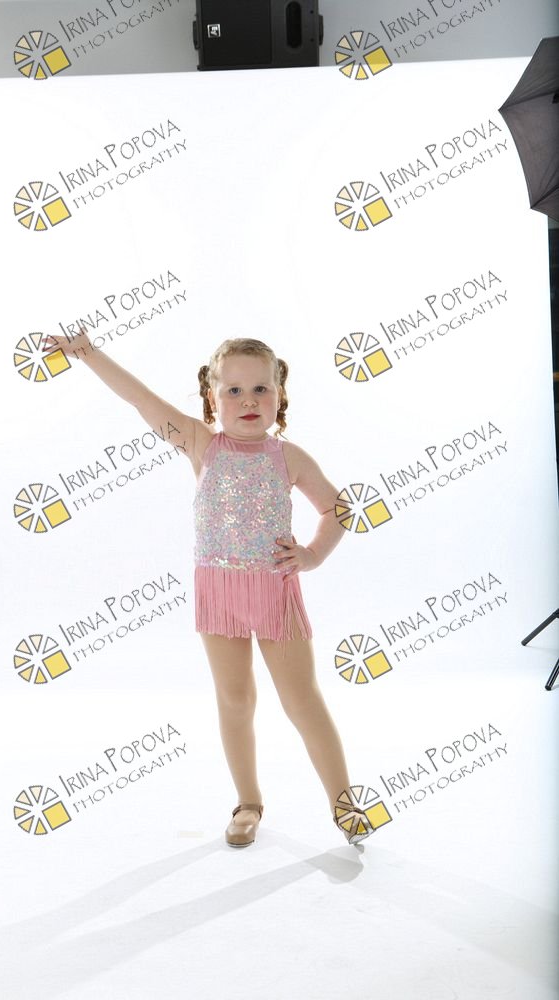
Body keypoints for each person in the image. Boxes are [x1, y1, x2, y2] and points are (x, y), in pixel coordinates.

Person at [44, 330, 374, 847]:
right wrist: (87, 352)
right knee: (235, 699)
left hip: (274, 594)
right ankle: (248, 803)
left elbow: (339, 509)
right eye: (233, 391)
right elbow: (139, 399)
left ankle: (344, 801)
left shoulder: (289, 457)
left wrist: (311, 554)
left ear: (280, 395)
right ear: (212, 398)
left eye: (261, 389)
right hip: (218, 594)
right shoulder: (202, 445)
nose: (248, 401)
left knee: (302, 701)